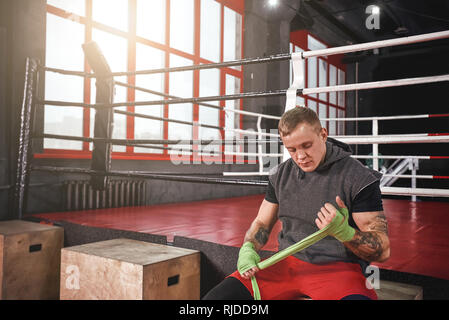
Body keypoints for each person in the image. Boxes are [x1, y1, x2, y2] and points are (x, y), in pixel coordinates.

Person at [203, 106, 390, 300]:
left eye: (306, 145)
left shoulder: (357, 177)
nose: (300, 156)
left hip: (338, 269)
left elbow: (382, 250)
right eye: (292, 149)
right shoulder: (281, 175)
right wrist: (248, 248)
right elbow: (261, 224)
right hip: (285, 264)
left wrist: (346, 233)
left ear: (323, 134)